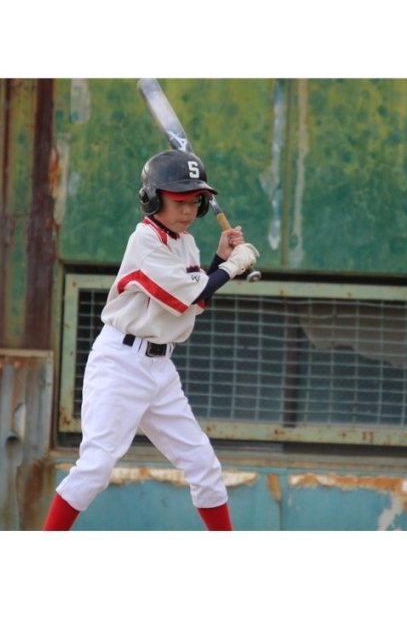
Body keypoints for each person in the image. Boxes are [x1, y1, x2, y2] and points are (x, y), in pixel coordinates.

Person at [43, 150, 259, 531]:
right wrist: (233, 265)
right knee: (95, 467)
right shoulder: (144, 240)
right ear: (153, 198)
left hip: (160, 367)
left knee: (204, 465)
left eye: (195, 201)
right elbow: (186, 295)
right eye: (178, 200)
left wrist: (219, 259)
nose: (188, 210)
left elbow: (195, 302)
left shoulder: (185, 242)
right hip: (121, 363)